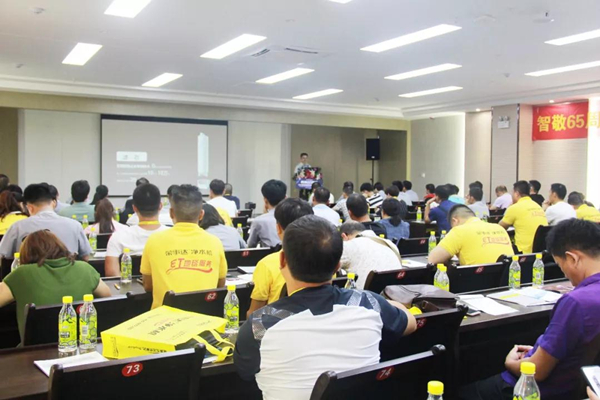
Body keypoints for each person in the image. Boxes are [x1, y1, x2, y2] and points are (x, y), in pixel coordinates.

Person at [234, 215, 416, 399]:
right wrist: (387, 303)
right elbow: (410, 323)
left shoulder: (259, 325)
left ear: (282, 261)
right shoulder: (368, 303)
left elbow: (245, 372)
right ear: (338, 266)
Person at [459, 219, 600, 400]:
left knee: (461, 390)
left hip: (537, 391)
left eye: (560, 265)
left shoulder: (576, 302)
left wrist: (510, 362)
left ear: (573, 258)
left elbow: (537, 371)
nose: (564, 273)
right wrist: (541, 350)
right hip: (577, 387)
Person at [0, 230, 111, 336]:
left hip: (35, 347)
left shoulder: (22, 274)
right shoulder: (85, 268)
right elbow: (107, 295)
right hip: (81, 343)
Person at [141, 184, 227, 309]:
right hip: (204, 318)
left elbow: (148, 286)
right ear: (201, 214)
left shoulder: (154, 240)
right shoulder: (215, 242)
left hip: (163, 318)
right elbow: (220, 285)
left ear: (171, 213)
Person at [247, 198, 314, 316]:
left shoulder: (267, 264)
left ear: (278, 228)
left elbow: (254, 315)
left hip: (275, 325)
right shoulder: (324, 259)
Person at [0, 183, 92, 261]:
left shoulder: (17, 227)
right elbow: (86, 256)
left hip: (29, 276)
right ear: (54, 203)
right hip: (67, 275)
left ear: (29, 208)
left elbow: (3, 255)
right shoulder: (75, 225)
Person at [105, 183, 170, 276]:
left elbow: (112, 274)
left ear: (134, 208)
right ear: (160, 205)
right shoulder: (174, 236)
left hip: (129, 285)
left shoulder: (118, 237)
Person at [429, 205, 513, 266]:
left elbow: (432, 260)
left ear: (455, 221)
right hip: (505, 282)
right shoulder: (499, 228)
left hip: (474, 282)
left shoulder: (459, 231)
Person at [340, 221, 403, 289]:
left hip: (366, 293)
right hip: (395, 292)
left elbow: (332, 267)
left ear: (343, 236)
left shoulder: (349, 245)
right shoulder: (390, 244)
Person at [499, 181, 548, 254]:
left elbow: (500, 228)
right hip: (541, 252)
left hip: (523, 253)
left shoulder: (514, 208)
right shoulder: (538, 206)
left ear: (516, 193)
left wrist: (509, 207)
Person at [247, 180, 287, 248]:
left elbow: (250, 246)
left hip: (270, 254)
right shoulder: (295, 216)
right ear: (285, 198)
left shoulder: (259, 221)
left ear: (265, 200)